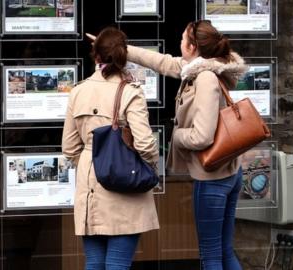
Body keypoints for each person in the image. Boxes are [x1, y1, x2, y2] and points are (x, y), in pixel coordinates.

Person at [89, 20, 248, 269]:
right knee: (225, 252)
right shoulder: (205, 67)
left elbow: (202, 136)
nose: (179, 43)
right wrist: (118, 46)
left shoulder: (204, 78)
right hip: (229, 172)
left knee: (212, 256)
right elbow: (163, 62)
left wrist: (176, 136)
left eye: (183, 39)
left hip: (213, 178)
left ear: (193, 47)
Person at [62, 27, 160, 270]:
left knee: (94, 263)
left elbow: (69, 147)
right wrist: (150, 166)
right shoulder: (130, 92)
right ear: (123, 57)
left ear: (96, 57)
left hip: (90, 183)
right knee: (118, 264)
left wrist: (92, 161)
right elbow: (145, 143)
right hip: (125, 182)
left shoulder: (78, 91)